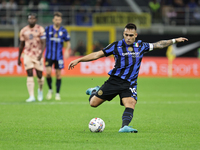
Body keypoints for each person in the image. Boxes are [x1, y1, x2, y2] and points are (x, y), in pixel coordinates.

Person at [68, 23, 188, 133]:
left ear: (135, 35)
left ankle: (124, 127)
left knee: (131, 103)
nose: (128, 37)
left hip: (130, 83)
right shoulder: (116, 46)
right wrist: (79, 59)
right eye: (126, 35)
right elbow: (97, 55)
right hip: (114, 81)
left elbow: (159, 45)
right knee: (93, 103)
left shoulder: (141, 45)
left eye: (131, 35)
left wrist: (174, 40)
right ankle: (94, 91)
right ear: (123, 34)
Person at [18, 13, 46, 102]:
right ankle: (32, 96)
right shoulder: (23, 30)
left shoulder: (40, 29)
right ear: (28, 20)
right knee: (29, 73)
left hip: (38, 55)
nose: (31, 20)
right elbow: (21, 45)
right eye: (30, 18)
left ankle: (40, 90)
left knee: (40, 75)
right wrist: (18, 57)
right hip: (27, 54)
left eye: (33, 18)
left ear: (36, 20)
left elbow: (44, 42)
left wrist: (41, 53)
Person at [45, 11, 71, 100]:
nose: (57, 21)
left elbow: (68, 42)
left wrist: (67, 50)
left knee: (58, 75)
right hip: (49, 55)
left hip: (59, 56)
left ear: (61, 20)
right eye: (56, 19)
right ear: (53, 20)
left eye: (59, 19)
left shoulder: (63, 30)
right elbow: (42, 40)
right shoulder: (47, 29)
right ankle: (50, 90)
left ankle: (57, 93)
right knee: (48, 74)